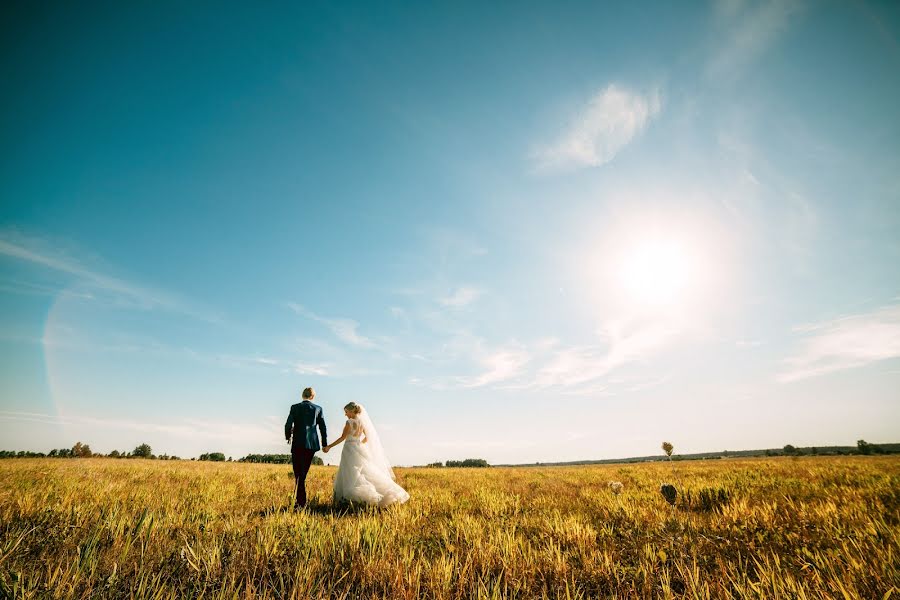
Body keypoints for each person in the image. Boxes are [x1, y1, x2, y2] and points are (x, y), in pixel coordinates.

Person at [323, 402, 409, 507]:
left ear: (352, 411)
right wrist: (359, 443)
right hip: (358, 447)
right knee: (364, 471)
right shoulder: (362, 423)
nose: (345, 414)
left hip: (349, 449)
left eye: (346, 412)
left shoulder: (349, 422)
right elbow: (368, 437)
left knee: (350, 472)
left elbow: (342, 437)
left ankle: (350, 500)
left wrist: (329, 447)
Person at [284, 387, 327, 509]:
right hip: (311, 445)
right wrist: (324, 443)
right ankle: (300, 502)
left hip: (297, 443)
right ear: (312, 397)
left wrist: (288, 436)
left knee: (299, 474)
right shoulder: (318, 409)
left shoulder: (295, 407)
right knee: (302, 474)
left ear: (302, 395)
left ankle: (300, 503)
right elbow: (322, 427)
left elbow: (288, 424)